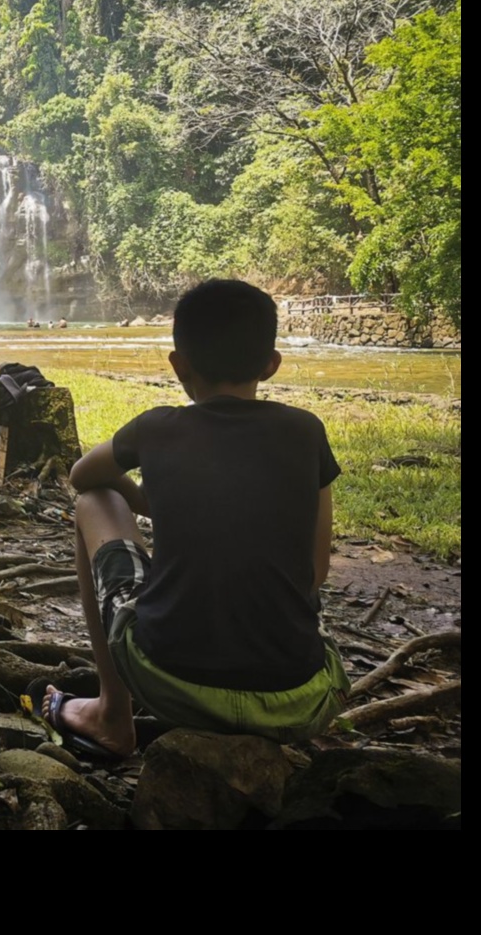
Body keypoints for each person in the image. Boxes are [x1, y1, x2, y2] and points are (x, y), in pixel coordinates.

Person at [34, 279, 349, 757]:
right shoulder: (306, 431)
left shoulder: (156, 427)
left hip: (169, 681)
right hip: (300, 698)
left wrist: (141, 500)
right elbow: (316, 572)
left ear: (178, 365)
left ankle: (111, 715)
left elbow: (83, 476)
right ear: (271, 364)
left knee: (92, 503)